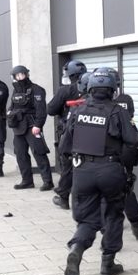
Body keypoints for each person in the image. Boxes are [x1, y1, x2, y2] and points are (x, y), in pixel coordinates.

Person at [59, 69, 138, 275]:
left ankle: (77, 249)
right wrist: (128, 170)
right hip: (110, 170)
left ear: (90, 88)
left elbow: (65, 146)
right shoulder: (118, 111)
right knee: (113, 215)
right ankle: (107, 263)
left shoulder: (78, 111)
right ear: (113, 89)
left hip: (82, 171)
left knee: (87, 218)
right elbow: (132, 142)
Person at [105, 68, 138, 240]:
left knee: (107, 191)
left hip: (111, 152)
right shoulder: (126, 99)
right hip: (128, 149)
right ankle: (136, 226)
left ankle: (110, 230)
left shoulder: (99, 105)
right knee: (126, 187)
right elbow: (131, 118)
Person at [6, 65, 54, 190]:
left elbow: (41, 110)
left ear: (26, 74)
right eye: (17, 75)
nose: (20, 77)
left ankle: (48, 182)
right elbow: (12, 106)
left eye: (22, 74)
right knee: (20, 154)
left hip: (32, 126)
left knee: (39, 153)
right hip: (18, 127)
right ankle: (27, 181)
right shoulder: (15, 90)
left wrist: (38, 125)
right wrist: (10, 113)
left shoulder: (37, 89)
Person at [48, 60, 87, 209]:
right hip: (89, 133)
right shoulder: (91, 88)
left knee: (68, 166)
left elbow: (51, 110)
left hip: (69, 132)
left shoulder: (64, 90)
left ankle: (63, 196)